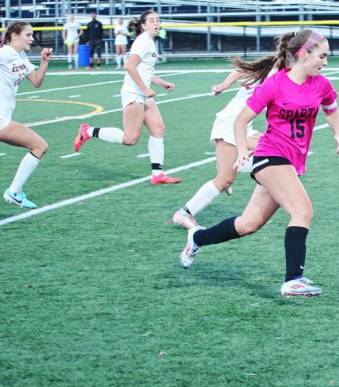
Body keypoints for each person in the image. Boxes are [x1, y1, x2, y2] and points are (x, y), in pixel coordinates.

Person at [179, 29, 339, 297]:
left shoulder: (321, 84)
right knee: (303, 211)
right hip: (271, 155)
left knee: (248, 224)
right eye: (322, 56)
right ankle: (293, 280)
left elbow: (331, 108)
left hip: (291, 161)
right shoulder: (274, 84)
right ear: (303, 54)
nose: (326, 62)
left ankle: (197, 238)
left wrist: (338, 133)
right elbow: (240, 121)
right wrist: (240, 150)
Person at [73, 10, 181, 185]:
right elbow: (130, 66)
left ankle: (157, 174)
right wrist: (145, 90)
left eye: (158, 20)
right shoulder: (143, 41)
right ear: (143, 25)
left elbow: (144, 71)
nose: (156, 23)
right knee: (130, 139)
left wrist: (161, 82)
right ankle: (88, 131)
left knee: (158, 129)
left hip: (142, 93)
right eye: (152, 20)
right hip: (134, 93)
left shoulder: (150, 42)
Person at [172, 54, 279, 230]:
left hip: (241, 126)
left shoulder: (280, 72)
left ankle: (235, 166)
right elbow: (240, 70)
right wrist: (223, 86)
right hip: (230, 125)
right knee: (224, 180)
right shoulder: (276, 72)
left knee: (275, 151)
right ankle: (183, 213)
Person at [0, 22, 52, 209]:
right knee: (39, 145)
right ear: (15, 36)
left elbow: (37, 81)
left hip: (3, 118)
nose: (32, 38)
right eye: (28, 35)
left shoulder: (20, 56)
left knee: (39, 146)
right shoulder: (5, 53)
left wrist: (44, 61)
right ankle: (14, 191)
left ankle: (14, 191)